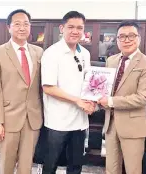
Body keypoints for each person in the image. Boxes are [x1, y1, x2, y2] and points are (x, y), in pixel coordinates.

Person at [0, 9, 44, 174]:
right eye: (17, 24)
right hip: (7, 118)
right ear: (9, 28)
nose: (22, 28)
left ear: (30, 27)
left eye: (26, 24)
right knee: (6, 165)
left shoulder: (38, 52)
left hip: (32, 118)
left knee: (26, 166)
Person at [97, 21, 146, 174]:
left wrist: (110, 101)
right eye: (122, 36)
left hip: (133, 126)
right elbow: (106, 88)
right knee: (111, 168)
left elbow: (142, 98)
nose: (126, 40)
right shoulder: (111, 60)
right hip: (111, 124)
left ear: (139, 38)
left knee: (133, 170)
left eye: (131, 36)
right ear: (116, 40)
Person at [41, 11, 95, 174]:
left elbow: (88, 83)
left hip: (80, 120)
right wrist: (77, 101)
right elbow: (48, 87)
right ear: (61, 28)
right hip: (58, 121)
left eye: (80, 28)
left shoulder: (84, 53)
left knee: (76, 165)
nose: (75, 31)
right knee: (51, 164)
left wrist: (92, 100)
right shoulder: (52, 53)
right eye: (71, 27)